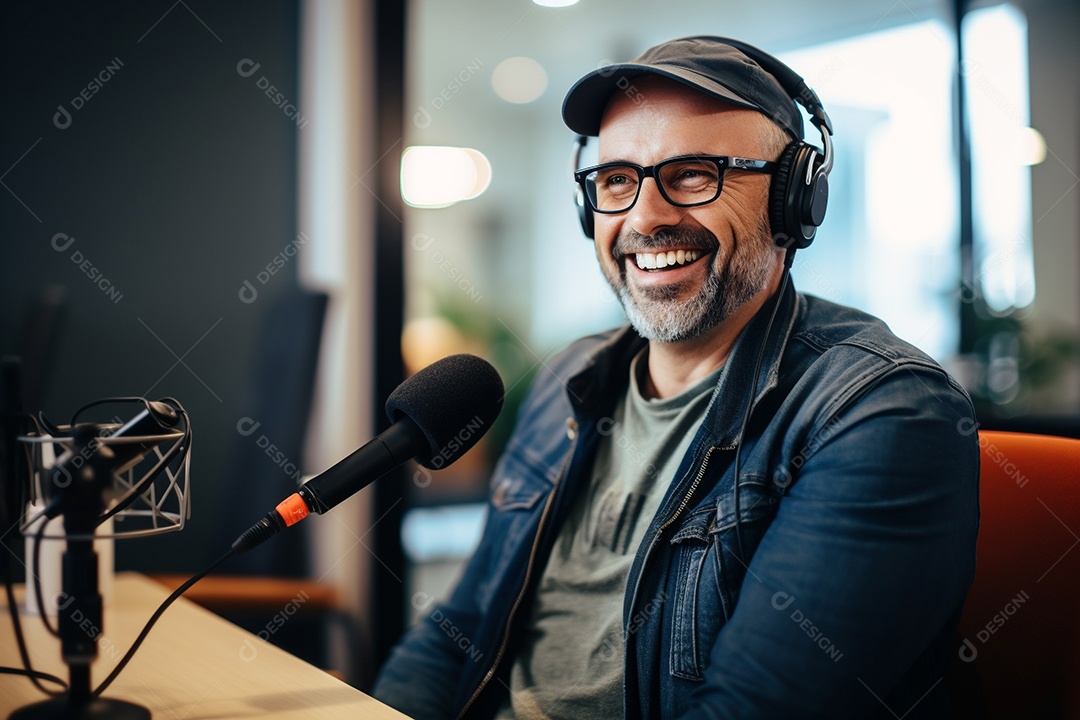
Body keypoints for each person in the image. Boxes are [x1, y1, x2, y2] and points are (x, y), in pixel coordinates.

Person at [372, 35, 979, 719]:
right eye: (616, 180)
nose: (644, 218)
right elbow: (452, 637)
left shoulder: (879, 412)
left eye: (692, 174)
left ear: (794, 199)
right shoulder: (568, 379)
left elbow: (750, 709)